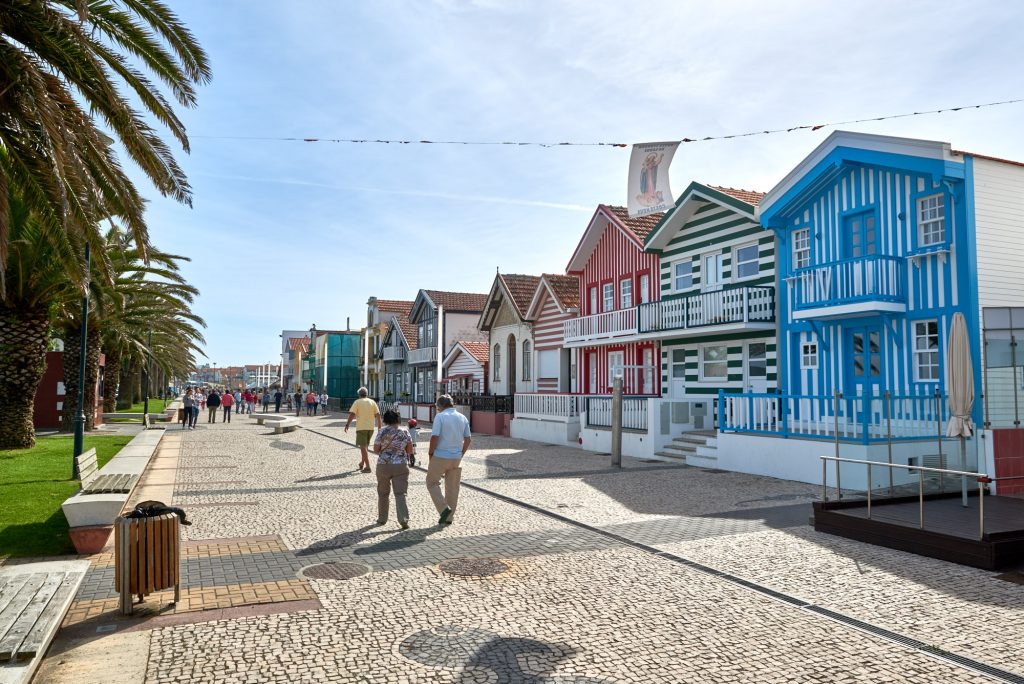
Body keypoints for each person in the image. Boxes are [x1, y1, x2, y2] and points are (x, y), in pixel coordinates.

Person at [427, 394, 471, 525]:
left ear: (440, 406)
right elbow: (468, 439)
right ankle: (449, 518)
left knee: (431, 482)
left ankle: (444, 509)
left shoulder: (440, 417)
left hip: (440, 455)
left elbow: (434, 436)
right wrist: (461, 453)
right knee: (452, 487)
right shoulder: (462, 417)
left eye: (437, 407)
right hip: (456, 457)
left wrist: (430, 453)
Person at [372, 409, 414, 529]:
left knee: (383, 493)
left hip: (383, 466)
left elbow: (375, 449)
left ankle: (382, 519)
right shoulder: (405, 431)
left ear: (385, 420)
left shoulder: (382, 431)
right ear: (398, 419)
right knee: (400, 494)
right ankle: (403, 520)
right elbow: (410, 450)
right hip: (400, 466)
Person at [345, 387, 381, 473]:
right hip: (371, 428)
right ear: (366, 394)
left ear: (359, 394)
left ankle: (368, 467)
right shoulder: (372, 402)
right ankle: (362, 463)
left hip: (361, 427)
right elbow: (378, 415)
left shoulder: (357, 402)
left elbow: (352, 414)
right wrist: (379, 427)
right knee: (365, 447)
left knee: (363, 448)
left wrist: (347, 424)